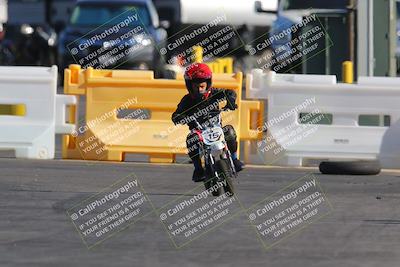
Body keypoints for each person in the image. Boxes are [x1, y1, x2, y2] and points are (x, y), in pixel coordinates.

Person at [172, 63, 244, 182]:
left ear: (208, 83)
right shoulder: (187, 100)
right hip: (199, 131)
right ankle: (198, 169)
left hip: (217, 128)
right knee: (191, 139)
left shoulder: (214, 93)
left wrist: (230, 100)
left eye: (202, 86)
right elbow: (176, 114)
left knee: (229, 131)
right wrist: (179, 117)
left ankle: (234, 159)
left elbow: (229, 92)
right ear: (190, 86)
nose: (200, 90)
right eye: (196, 87)